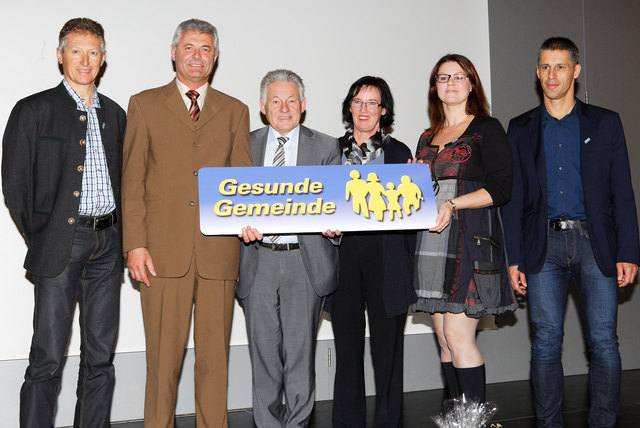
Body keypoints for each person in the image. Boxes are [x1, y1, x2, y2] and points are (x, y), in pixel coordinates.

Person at [501, 37, 639, 427]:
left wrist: (628, 250)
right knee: (545, 343)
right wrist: (514, 257)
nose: (551, 75)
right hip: (543, 247)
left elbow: (622, 193)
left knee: (604, 343)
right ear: (537, 72)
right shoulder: (521, 128)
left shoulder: (606, 122)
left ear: (575, 71)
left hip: (596, 245)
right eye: (544, 66)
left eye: (560, 66)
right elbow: (513, 203)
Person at [121, 19, 251, 427]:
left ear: (216, 57)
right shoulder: (143, 104)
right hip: (160, 254)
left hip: (218, 254)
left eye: (206, 49)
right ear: (174, 52)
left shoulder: (235, 110)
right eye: (190, 48)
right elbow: (132, 180)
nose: (197, 56)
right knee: (162, 362)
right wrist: (134, 244)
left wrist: (251, 220)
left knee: (215, 361)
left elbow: (243, 182)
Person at [1, 18, 126, 427]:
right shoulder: (33, 110)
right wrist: (45, 236)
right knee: (48, 358)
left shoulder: (115, 114)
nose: (85, 60)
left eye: (93, 52)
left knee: (100, 357)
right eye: (76, 51)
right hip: (60, 246)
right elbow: (15, 185)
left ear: (103, 58)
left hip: (108, 247)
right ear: (60, 56)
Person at [237, 69, 340, 428]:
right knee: (264, 357)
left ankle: (297, 425)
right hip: (258, 260)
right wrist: (238, 224)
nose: (284, 108)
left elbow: (336, 204)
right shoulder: (242, 144)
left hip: (304, 261)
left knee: (300, 356)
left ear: (304, 105)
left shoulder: (327, 147)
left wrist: (336, 223)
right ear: (263, 107)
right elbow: (228, 202)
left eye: (291, 100)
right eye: (276, 101)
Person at [412, 54, 516, 403]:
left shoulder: (487, 129)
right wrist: (412, 182)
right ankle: (458, 417)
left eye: (459, 77)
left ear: (471, 84)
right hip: (432, 243)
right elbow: (425, 196)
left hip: (470, 241)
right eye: (443, 77)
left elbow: (502, 189)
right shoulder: (426, 138)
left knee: (459, 336)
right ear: (435, 87)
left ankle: (475, 421)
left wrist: (453, 203)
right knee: (443, 336)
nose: (451, 83)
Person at [328, 76, 417, 428]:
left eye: (372, 103)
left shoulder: (400, 153)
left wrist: (420, 184)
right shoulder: (329, 152)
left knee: (388, 355)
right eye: (358, 101)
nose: (364, 109)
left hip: (387, 260)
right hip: (343, 258)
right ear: (349, 107)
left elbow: (411, 211)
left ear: (384, 110)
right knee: (347, 352)